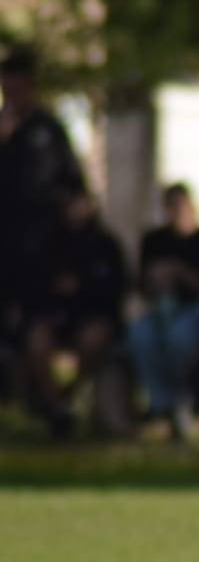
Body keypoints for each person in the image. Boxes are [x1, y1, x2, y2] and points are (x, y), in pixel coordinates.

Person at [17, 189, 128, 438]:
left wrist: (83, 287)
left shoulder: (105, 244)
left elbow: (115, 289)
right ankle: (57, 408)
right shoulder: (48, 243)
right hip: (55, 316)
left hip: (92, 315)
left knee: (94, 340)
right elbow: (32, 285)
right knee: (36, 342)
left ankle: (70, 395)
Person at [0, 46, 86, 357]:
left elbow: (74, 183)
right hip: (6, 239)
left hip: (44, 243)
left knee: (39, 325)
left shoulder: (48, 129)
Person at [126, 183, 199, 439]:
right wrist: (156, 280)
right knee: (139, 335)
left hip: (195, 309)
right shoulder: (154, 240)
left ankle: (180, 399)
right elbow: (140, 286)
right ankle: (161, 402)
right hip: (160, 307)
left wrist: (180, 272)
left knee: (178, 338)